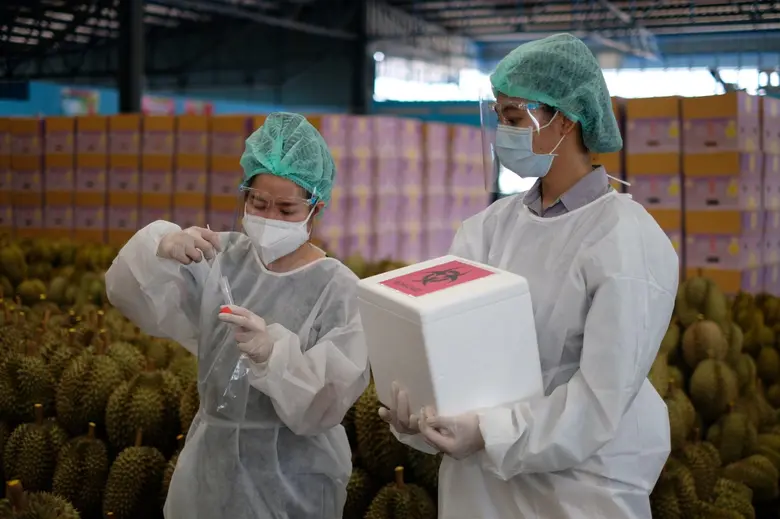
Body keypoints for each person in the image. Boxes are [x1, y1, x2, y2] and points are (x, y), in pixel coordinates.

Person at [379, 33, 679, 519]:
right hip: (477, 492)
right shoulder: (488, 230)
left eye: (515, 118)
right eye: (499, 119)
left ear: (564, 118)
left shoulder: (626, 241)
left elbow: (599, 401)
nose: (504, 135)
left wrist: (491, 432)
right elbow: (448, 345)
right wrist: (421, 409)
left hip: (577, 493)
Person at [105, 112, 370, 519]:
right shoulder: (218, 258)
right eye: (258, 203)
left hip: (294, 478)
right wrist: (159, 248)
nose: (269, 218)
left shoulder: (339, 289)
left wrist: (274, 356)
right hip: (211, 466)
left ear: (316, 206)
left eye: (286, 209)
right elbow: (128, 294)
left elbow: (326, 404)